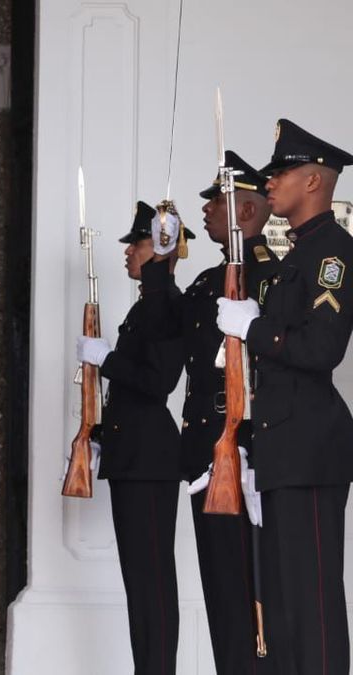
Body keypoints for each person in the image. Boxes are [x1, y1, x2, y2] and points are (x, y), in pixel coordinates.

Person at [216, 119, 353, 674]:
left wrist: (255, 329)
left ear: (315, 181)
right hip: (279, 446)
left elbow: (321, 350)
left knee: (312, 606)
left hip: (309, 447)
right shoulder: (294, 255)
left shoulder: (333, 253)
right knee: (282, 609)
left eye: (283, 172)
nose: (270, 183)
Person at [180, 151, 279, 675]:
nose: (206, 210)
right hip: (206, 456)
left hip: (250, 454)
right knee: (220, 589)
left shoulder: (272, 279)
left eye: (216, 201)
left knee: (253, 592)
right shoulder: (204, 282)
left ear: (247, 213)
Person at [76, 201, 185, 674]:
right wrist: (99, 434)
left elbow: (158, 381)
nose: (127, 253)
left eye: (136, 244)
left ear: (160, 249)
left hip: (149, 460)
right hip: (132, 454)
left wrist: (106, 359)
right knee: (140, 583)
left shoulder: (164, 305)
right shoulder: (147, 306)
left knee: (153, 584)